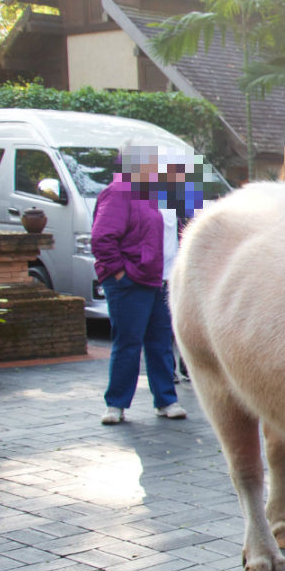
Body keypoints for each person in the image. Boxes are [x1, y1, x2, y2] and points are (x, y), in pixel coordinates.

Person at [92, 144, 189, 425]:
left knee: (159, 343)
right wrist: (121, 274)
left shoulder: (157, 194)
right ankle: (116, 404)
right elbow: (102, 239)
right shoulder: (120, 192)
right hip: (132, 283)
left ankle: (166, 400)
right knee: (128, 343)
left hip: (161, 281)